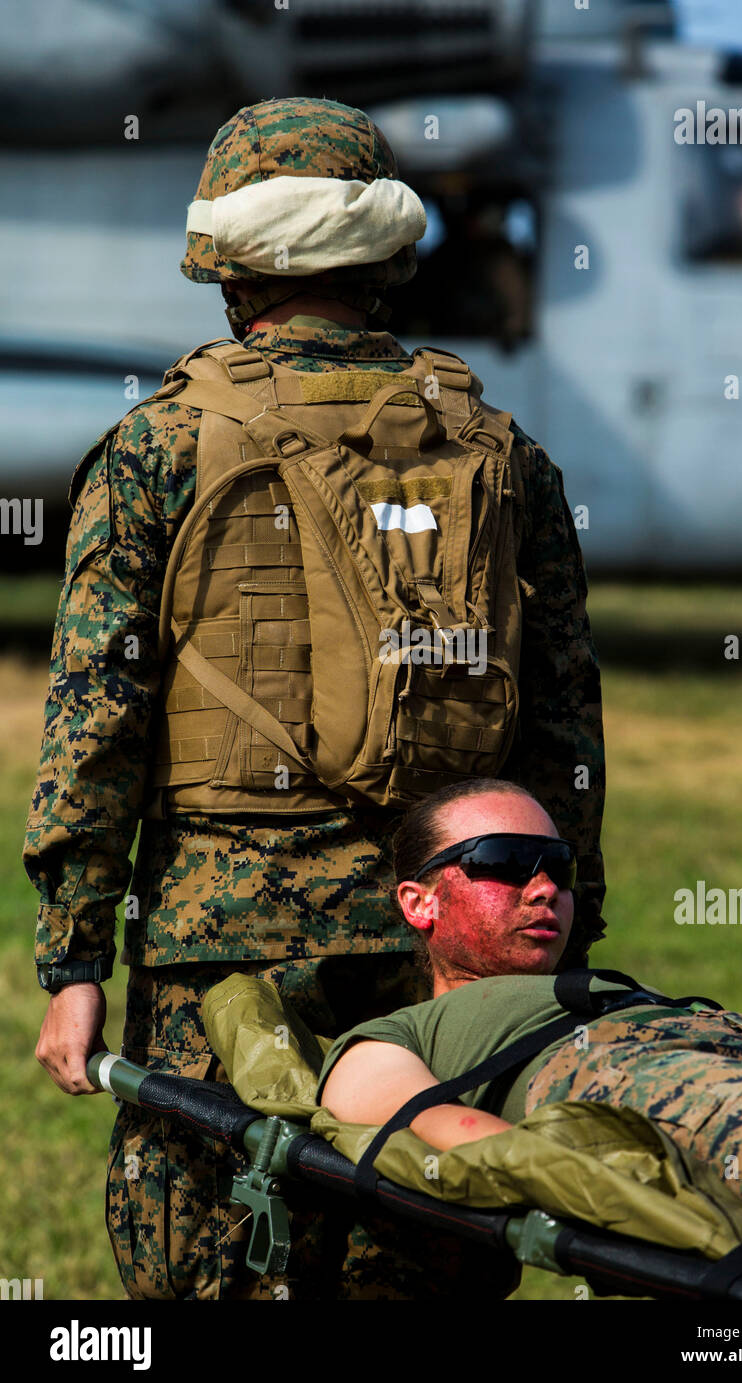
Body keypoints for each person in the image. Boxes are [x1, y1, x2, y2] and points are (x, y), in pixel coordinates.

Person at [25, 97, 606, 1300]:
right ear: (388, 259)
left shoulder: (160, 445)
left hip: (222, 953)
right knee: (427, 1245)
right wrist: (561, 926)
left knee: (207, 1261)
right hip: (449, 930)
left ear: (228, 267)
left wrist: (73, 955)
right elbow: (559, 722)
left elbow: (98, 715)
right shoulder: (501, 452)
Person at [319, 777, 742, 1229]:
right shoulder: (399, 1035)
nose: (543, 887)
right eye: (506, 861)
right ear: (420, 903)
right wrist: (617, 1191)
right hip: (647, 1086)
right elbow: (439, 1130)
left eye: (558, 867)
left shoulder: (594, 990)